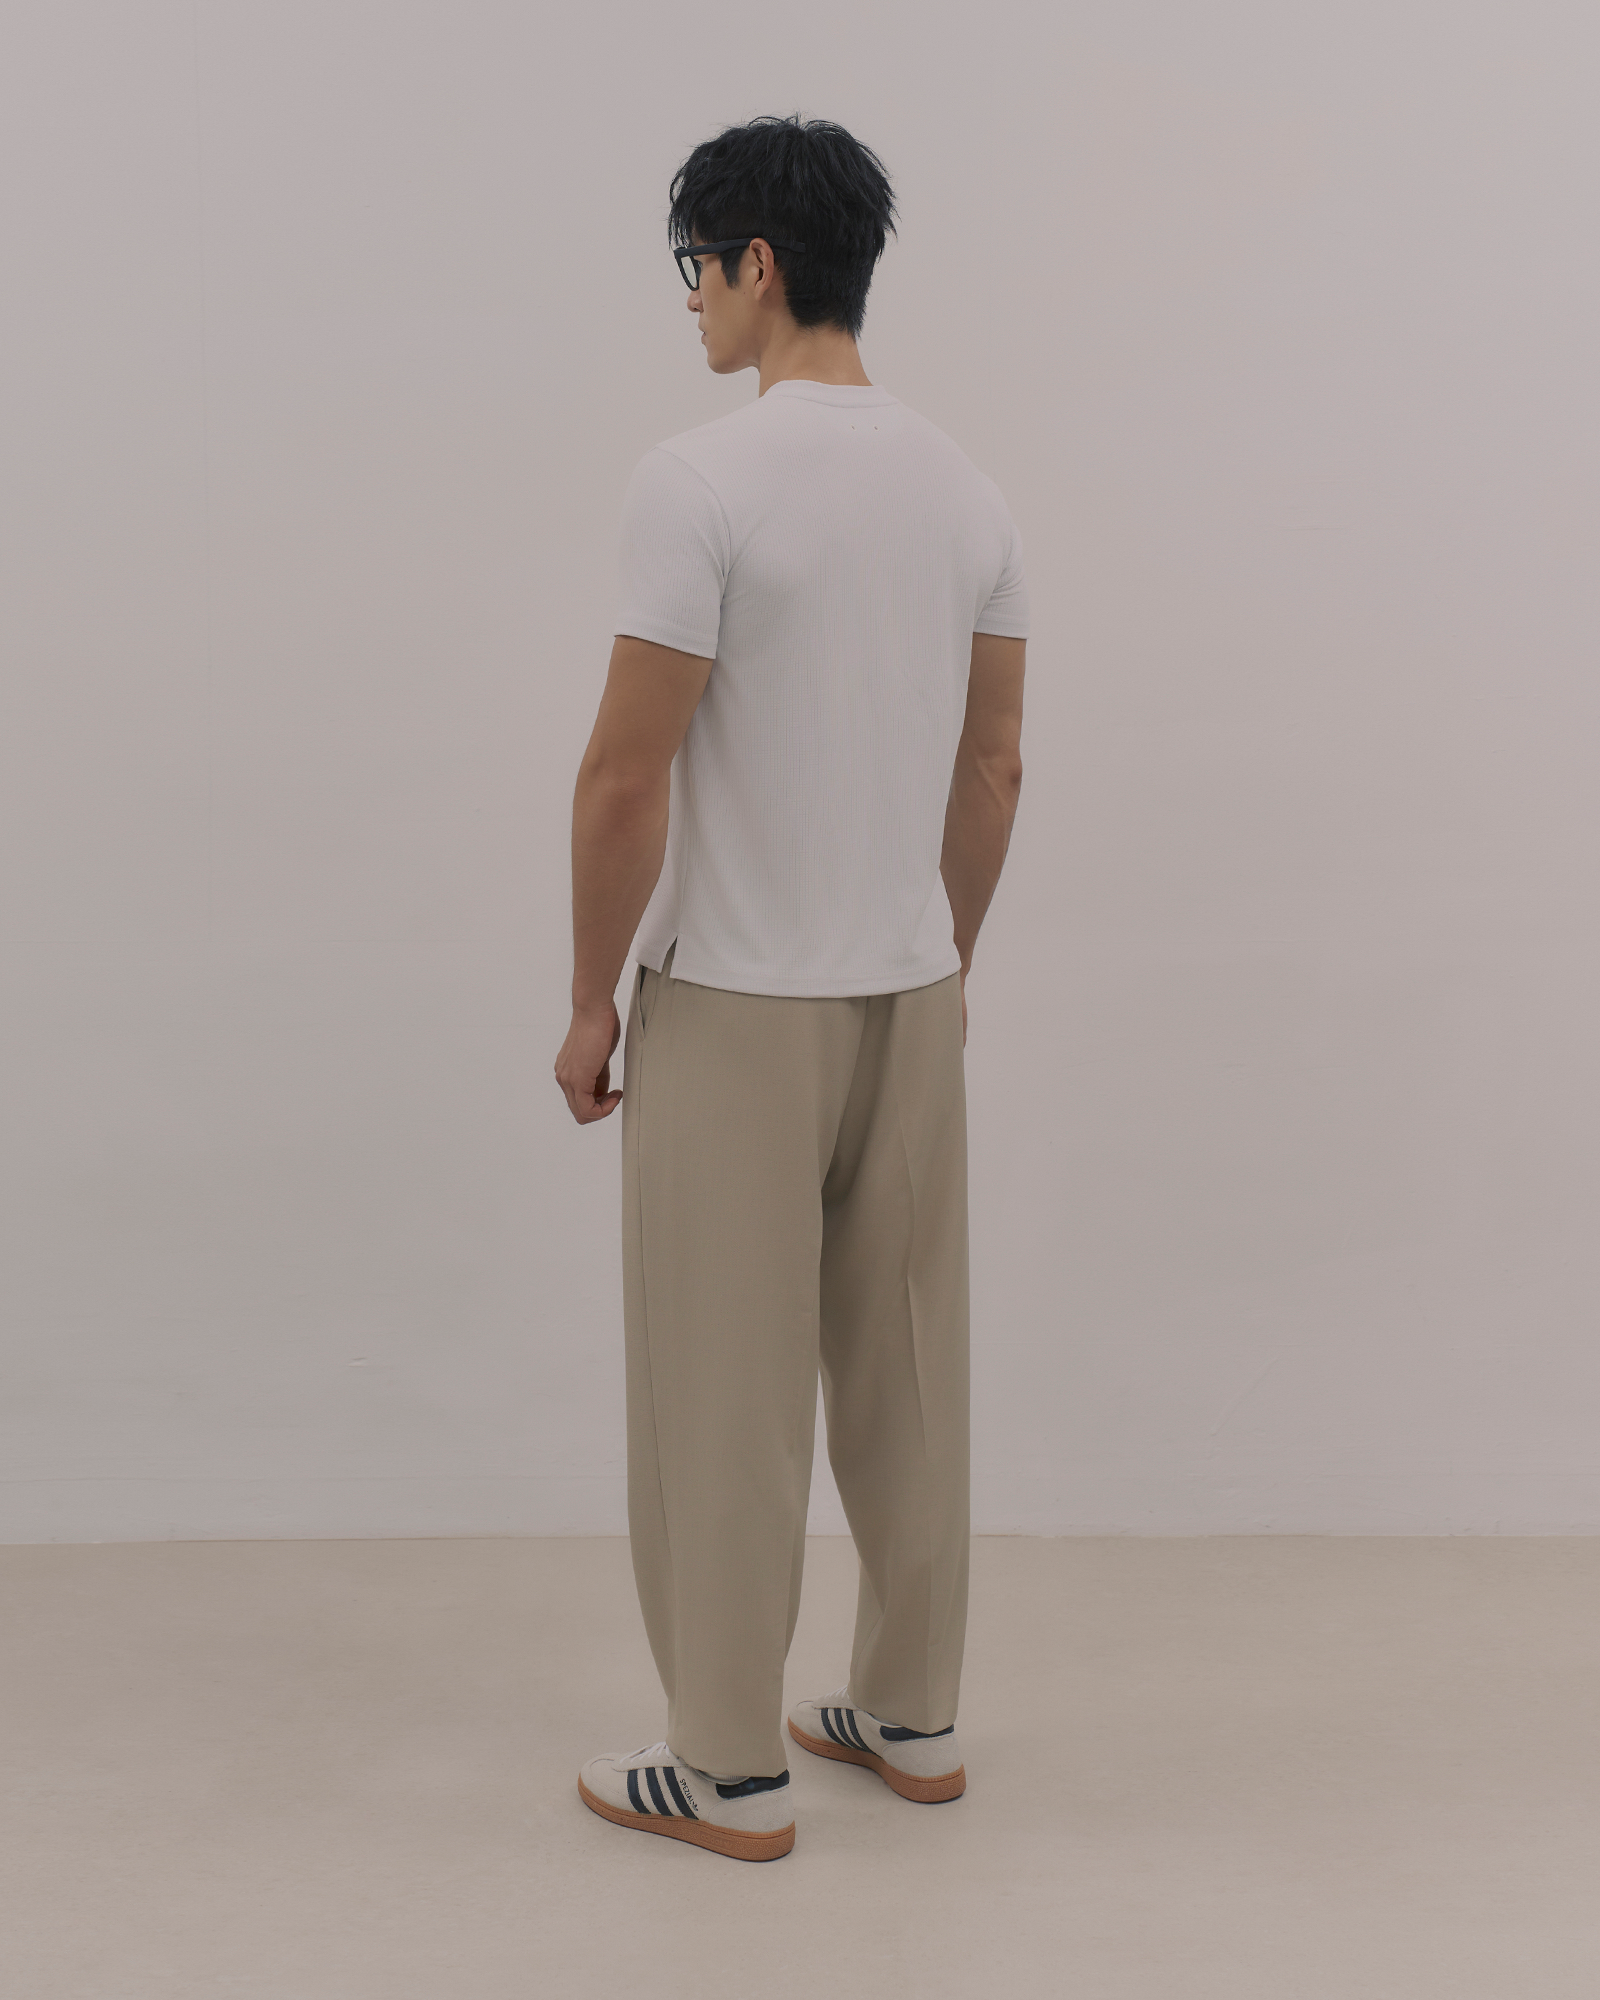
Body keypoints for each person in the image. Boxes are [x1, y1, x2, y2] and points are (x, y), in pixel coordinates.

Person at [553, 113, 1029, 1863]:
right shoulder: (968, 490)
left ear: (759, 262)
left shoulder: (699, 483)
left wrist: (591, 1000)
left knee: (721, 1391)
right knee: (910, 1374)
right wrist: (943, 955)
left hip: (739, 998)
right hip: (908, 994)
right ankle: (912, 1713)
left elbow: (626, 777)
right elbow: (996, 768)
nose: (690, 300)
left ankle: (724, 1765)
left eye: (697, 266)